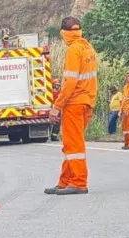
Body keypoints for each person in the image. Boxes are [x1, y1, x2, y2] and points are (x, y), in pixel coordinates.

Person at [45, 16, 98, 195]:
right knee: (71, 144)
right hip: (87, 102)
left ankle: (78, 182)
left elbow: (69, 83)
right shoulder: (88, 47)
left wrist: (57, 106)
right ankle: (65, 181)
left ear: (64, 33)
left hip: (74, 103)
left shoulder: (73, 50)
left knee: (73, 146)